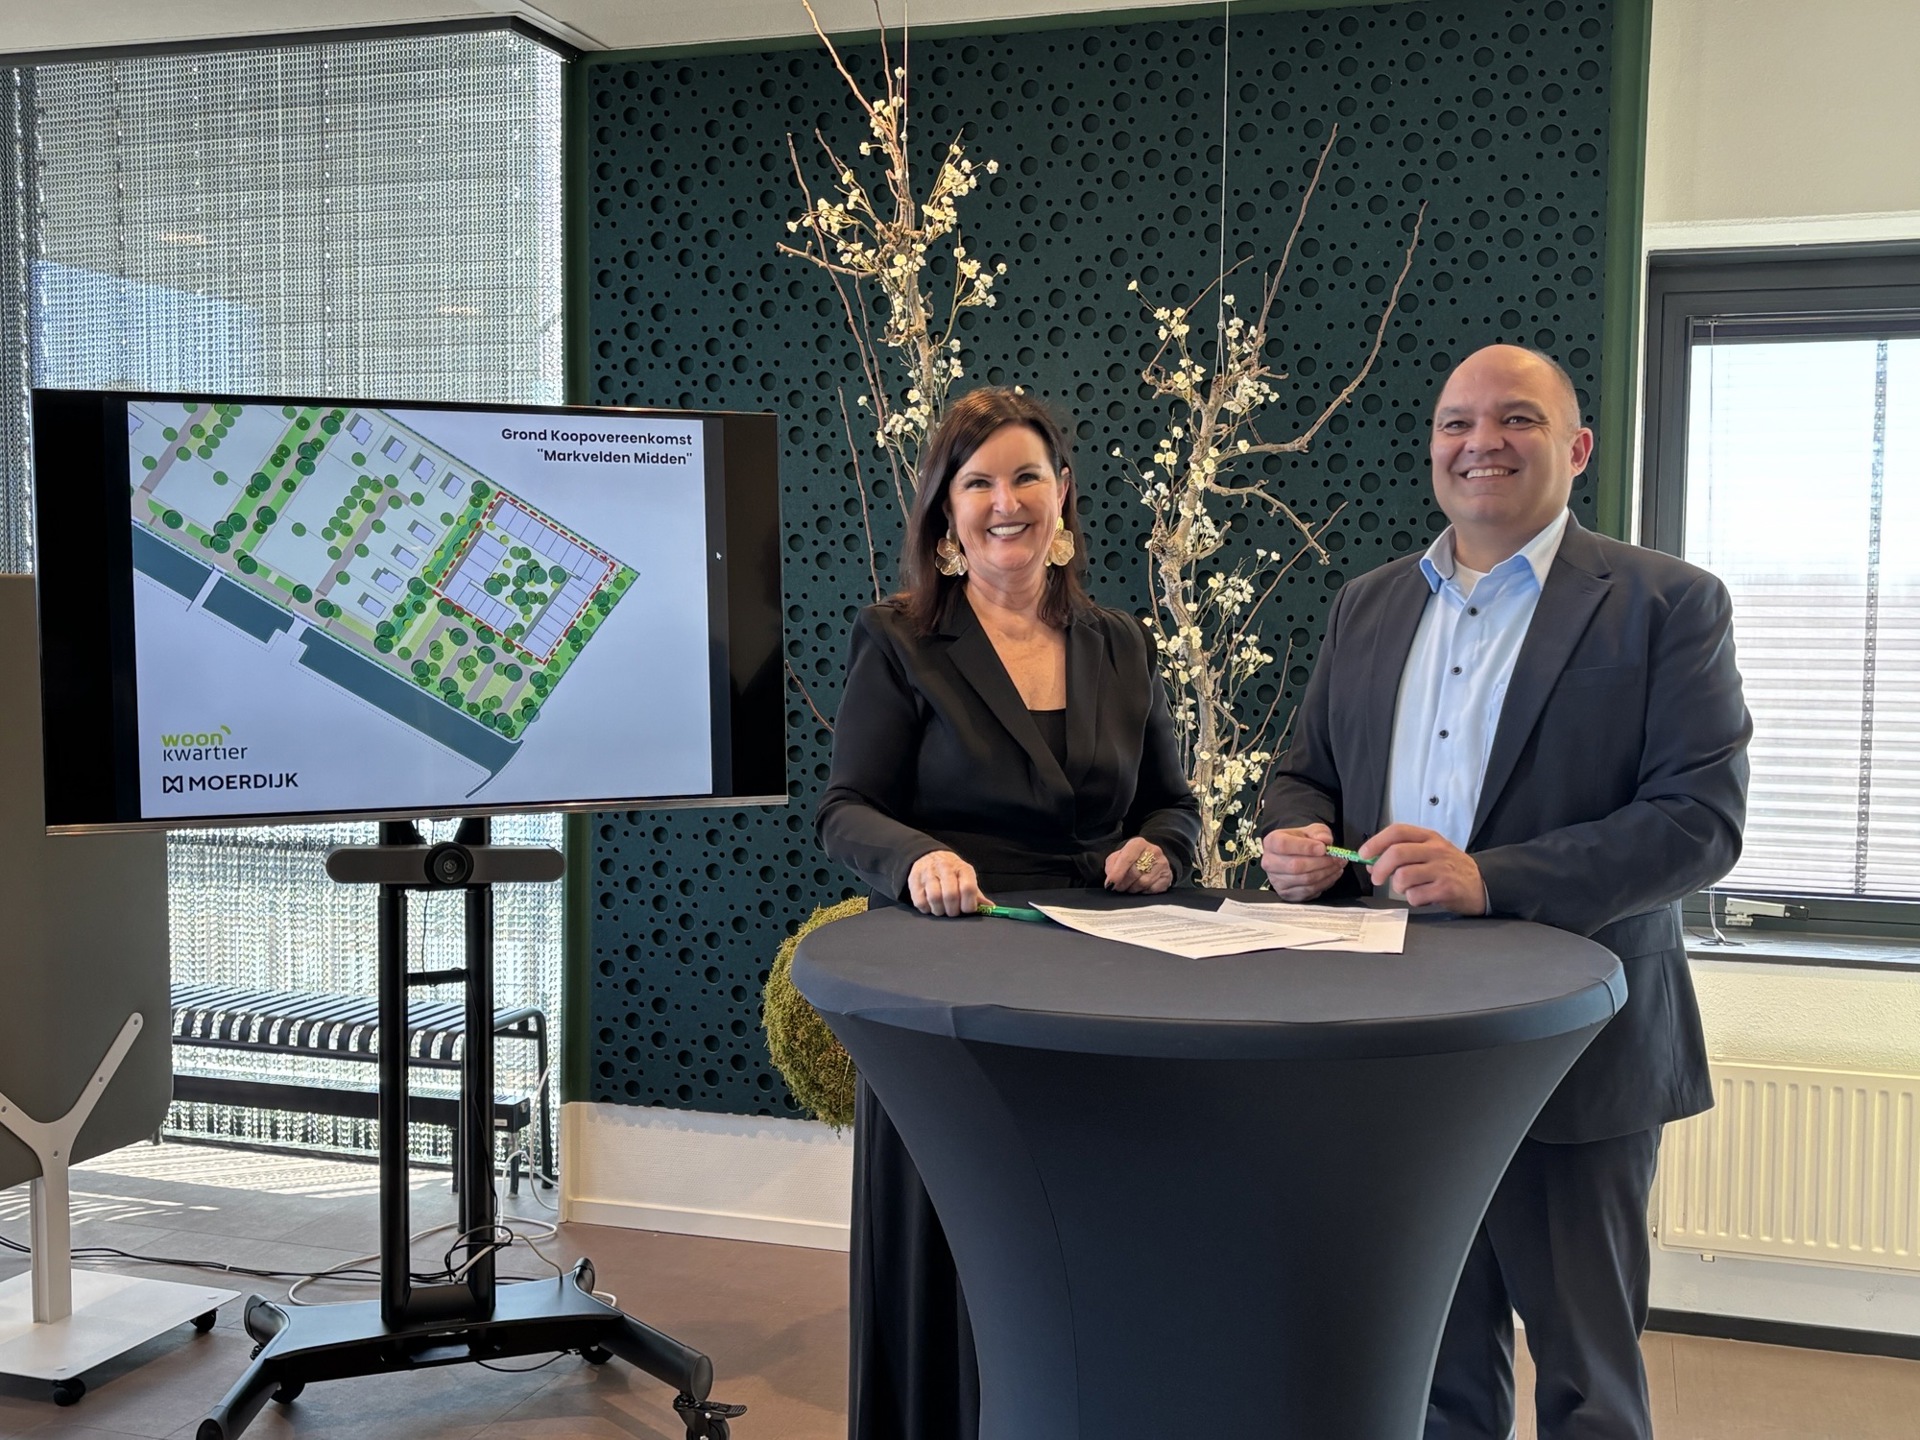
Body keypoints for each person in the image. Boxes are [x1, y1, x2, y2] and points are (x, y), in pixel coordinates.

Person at [1257, 344, 1751, 1440]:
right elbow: (1305, 775)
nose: (1481, 441)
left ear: (1576, 449)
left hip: (1575, 1049)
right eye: (1456, 423)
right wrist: (1294, 836)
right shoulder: (1367, 605)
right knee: (1432, 1376)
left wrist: (1493, 879)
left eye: (1516, 418)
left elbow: (1699, 822)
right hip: (1391, 1047)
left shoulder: (1668, 603)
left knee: (1588, 1382)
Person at [816, 386, 1200, 1440]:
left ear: (1062, 493)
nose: (1005, 502)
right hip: (952, 980)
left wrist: (1160, 850)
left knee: (1085, 1247)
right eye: (977, 482)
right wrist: (918, 859)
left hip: (1099, 986)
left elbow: (1173, 805)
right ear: (944, 509)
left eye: (1026, 476)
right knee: (964, 1251)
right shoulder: (898, 639)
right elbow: (846, 810)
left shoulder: (1120, 643)